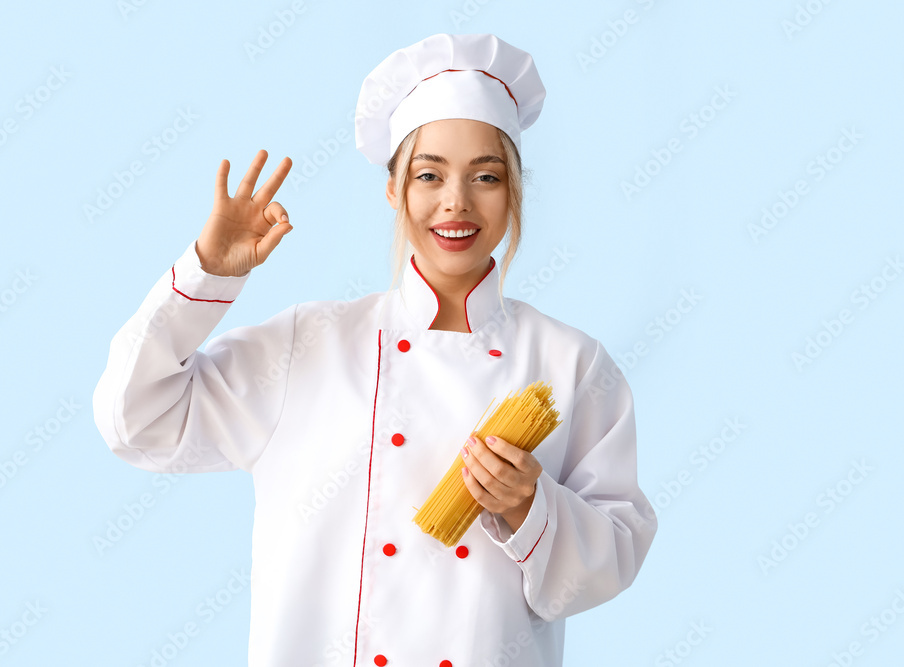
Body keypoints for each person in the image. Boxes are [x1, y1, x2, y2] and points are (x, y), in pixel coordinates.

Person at [93, 32, 657, 667]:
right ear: (393, 190)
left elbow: (616, 554)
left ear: (515, 191)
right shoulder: (309, 344)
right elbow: (134, 420)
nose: (456, 202)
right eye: (428, 174)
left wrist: (532, 508)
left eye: (487, 176)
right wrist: (207, 277)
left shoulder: (571, 364)